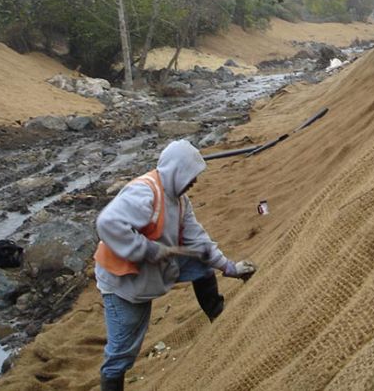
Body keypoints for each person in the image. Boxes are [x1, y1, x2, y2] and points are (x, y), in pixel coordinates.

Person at [93, 139, 256, 391]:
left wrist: (229, 267)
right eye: (191, 176)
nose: (194, 182)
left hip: (154, 268)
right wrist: (146, 249)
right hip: (124, 283)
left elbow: (199, 241)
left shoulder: (180, 201)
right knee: (122, 352)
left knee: (200, 261)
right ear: (176, 171)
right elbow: (107, 223)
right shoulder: (145, 192)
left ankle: (219, 316)